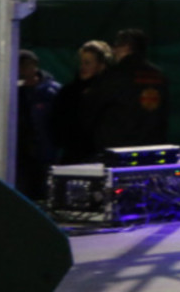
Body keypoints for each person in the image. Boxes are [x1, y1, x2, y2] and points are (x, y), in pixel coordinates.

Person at [88, 28, 169, 152]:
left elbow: (95, 109)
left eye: (116, 46)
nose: (114, 51)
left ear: (126, 47)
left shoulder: (114, 75)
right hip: (153, 147)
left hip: (119, 150)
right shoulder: (159, 76)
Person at [51, 39, 112, 164]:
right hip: (74, 155)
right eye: (81, 62)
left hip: (101, 155)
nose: (83, 67)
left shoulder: (110, 92)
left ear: (101, 65)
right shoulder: (69, 92)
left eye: (87, 63)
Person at [16, 50, 61, 199]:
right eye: (21, 66)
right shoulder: (13, 91)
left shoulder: (51, 91)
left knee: (45, 193)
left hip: (45, 152)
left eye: (26, 66)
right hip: (21, 155)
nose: (23, 70)